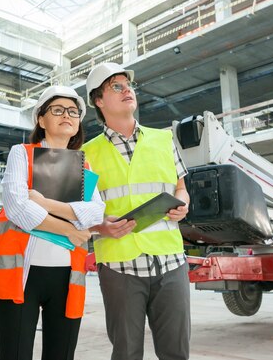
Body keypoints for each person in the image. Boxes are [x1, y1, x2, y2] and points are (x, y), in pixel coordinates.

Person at [82, 62, 191, 360]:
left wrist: (183, 204)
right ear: (99, 101)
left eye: (128, 85)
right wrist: (100, 226)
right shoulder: (86, 154)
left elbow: (181, 188)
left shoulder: (164, 139)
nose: (127, 89)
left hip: (170, 261)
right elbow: (79, 212)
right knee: (127, 353)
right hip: (120, 268)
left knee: (177, 353)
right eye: (116, 86)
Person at [0, 85, 105, 360]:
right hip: (21, 276)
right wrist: (69, 227)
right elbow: (18, 206)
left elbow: (95, 213)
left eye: (73, 111)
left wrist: (44, 202)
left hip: (67, 276)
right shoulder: (22, 153)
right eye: (58, 110)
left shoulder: (83, 167)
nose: (67, 115)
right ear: (41, 119)